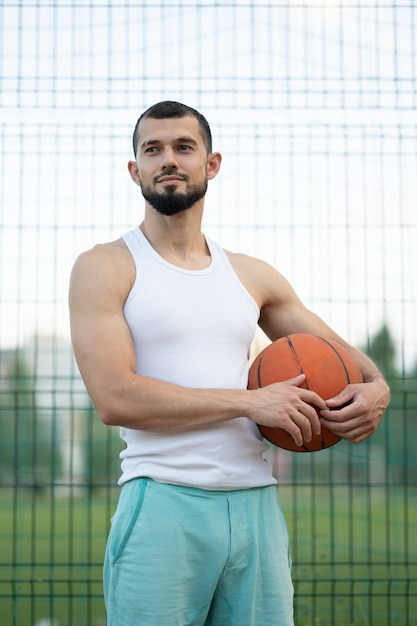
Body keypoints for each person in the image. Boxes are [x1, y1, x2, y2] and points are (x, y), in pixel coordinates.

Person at [68, 101, 390, 626]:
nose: (167, 159)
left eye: (183, 147)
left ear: (211, 164)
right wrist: (252, 402)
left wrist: (379, 388)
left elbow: (353, 365)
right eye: (153, 149)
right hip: (163, 502)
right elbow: (114, 397)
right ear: (136, 170)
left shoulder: (252, 275)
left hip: (256, 507)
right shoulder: (105, 266)